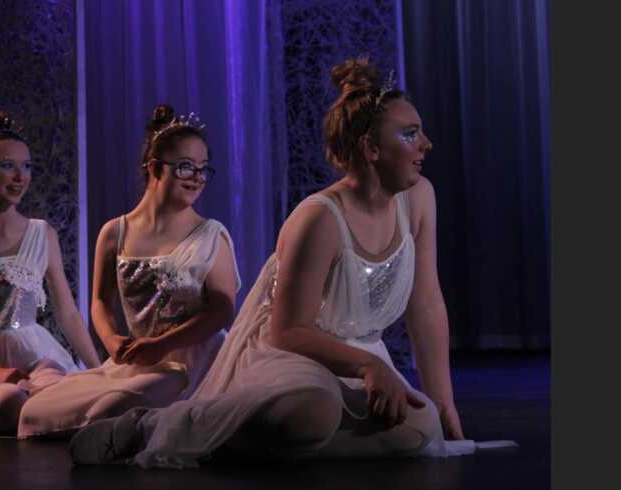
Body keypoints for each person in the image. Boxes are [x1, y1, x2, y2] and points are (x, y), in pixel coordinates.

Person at [69, 58, 484, 468]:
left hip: (362, 361)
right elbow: (287, 331)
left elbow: (426, 303)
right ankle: (157, 428)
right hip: (293, 356)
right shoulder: (319, 218)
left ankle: (268, 446)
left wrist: (443, 403)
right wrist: (368, 365)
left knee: (421, 422)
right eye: (411, 134)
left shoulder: (419, 198)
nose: (426, 144)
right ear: (371, 148)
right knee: (314, 412)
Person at [17, 104, 241, 439]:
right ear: (155, 168)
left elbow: (222, 310)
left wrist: (163, 344)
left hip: (193, 362)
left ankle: (123, 431)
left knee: (116, 407)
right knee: (34, 413)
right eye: (185, 167)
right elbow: (100, 302)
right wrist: (112, 340)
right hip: (138, 358)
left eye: (203, 169)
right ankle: (120, 428)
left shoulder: (211, 235)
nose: (197, 177)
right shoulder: (115, 232)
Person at [0, 110, 101, 435]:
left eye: (26, 166)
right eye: (7, 165)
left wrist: (98, 369)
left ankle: (62, 411)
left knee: (56, 392)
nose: (19, 176)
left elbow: (66, 313)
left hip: (37, 356)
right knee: (8, 402)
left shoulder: (42, 234)